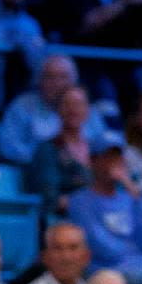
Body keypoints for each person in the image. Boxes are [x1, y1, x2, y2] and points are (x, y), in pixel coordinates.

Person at [66, 131, 142, 284]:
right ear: (93, 161)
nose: (114, 163)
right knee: (138, 281)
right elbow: (102, 248)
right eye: (107, 157)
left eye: (117, 158)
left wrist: (137, 198)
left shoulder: (131, 198)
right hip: (106, 271)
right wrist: (135, 249)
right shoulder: (79, 201)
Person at [0, 54, 108, 164]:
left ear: (75, 81)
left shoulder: (86, 108)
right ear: (39, 80)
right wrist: (48, 161)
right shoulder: (22, 106)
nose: (56, 83)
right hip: (35, 171)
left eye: (63, 77)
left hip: (83, 172)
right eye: (49, 76)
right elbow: (9, 147)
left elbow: (102, 146)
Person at [25, 84, 96, 215]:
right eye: (67, 104)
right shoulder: (48, 149)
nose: (73, 110)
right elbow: (50, 197)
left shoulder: (98, 149)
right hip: (65, 220)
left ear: (88, 110)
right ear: (57, 109)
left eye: (78, 104)